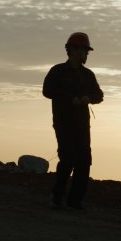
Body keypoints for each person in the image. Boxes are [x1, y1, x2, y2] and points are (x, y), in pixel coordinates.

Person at [43, 32, 104, 210]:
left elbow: (99, 95)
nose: (86, 55)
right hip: (63, 122)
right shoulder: (57, 71)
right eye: (84, 51)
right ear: (73, 51)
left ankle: (75, 201)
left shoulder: (88, 75)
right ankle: (57, 196)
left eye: (86, 52)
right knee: (68, 158)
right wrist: (70, 99)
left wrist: (88, 98)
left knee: (84, 161)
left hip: (82, 124)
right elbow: (47, 91)